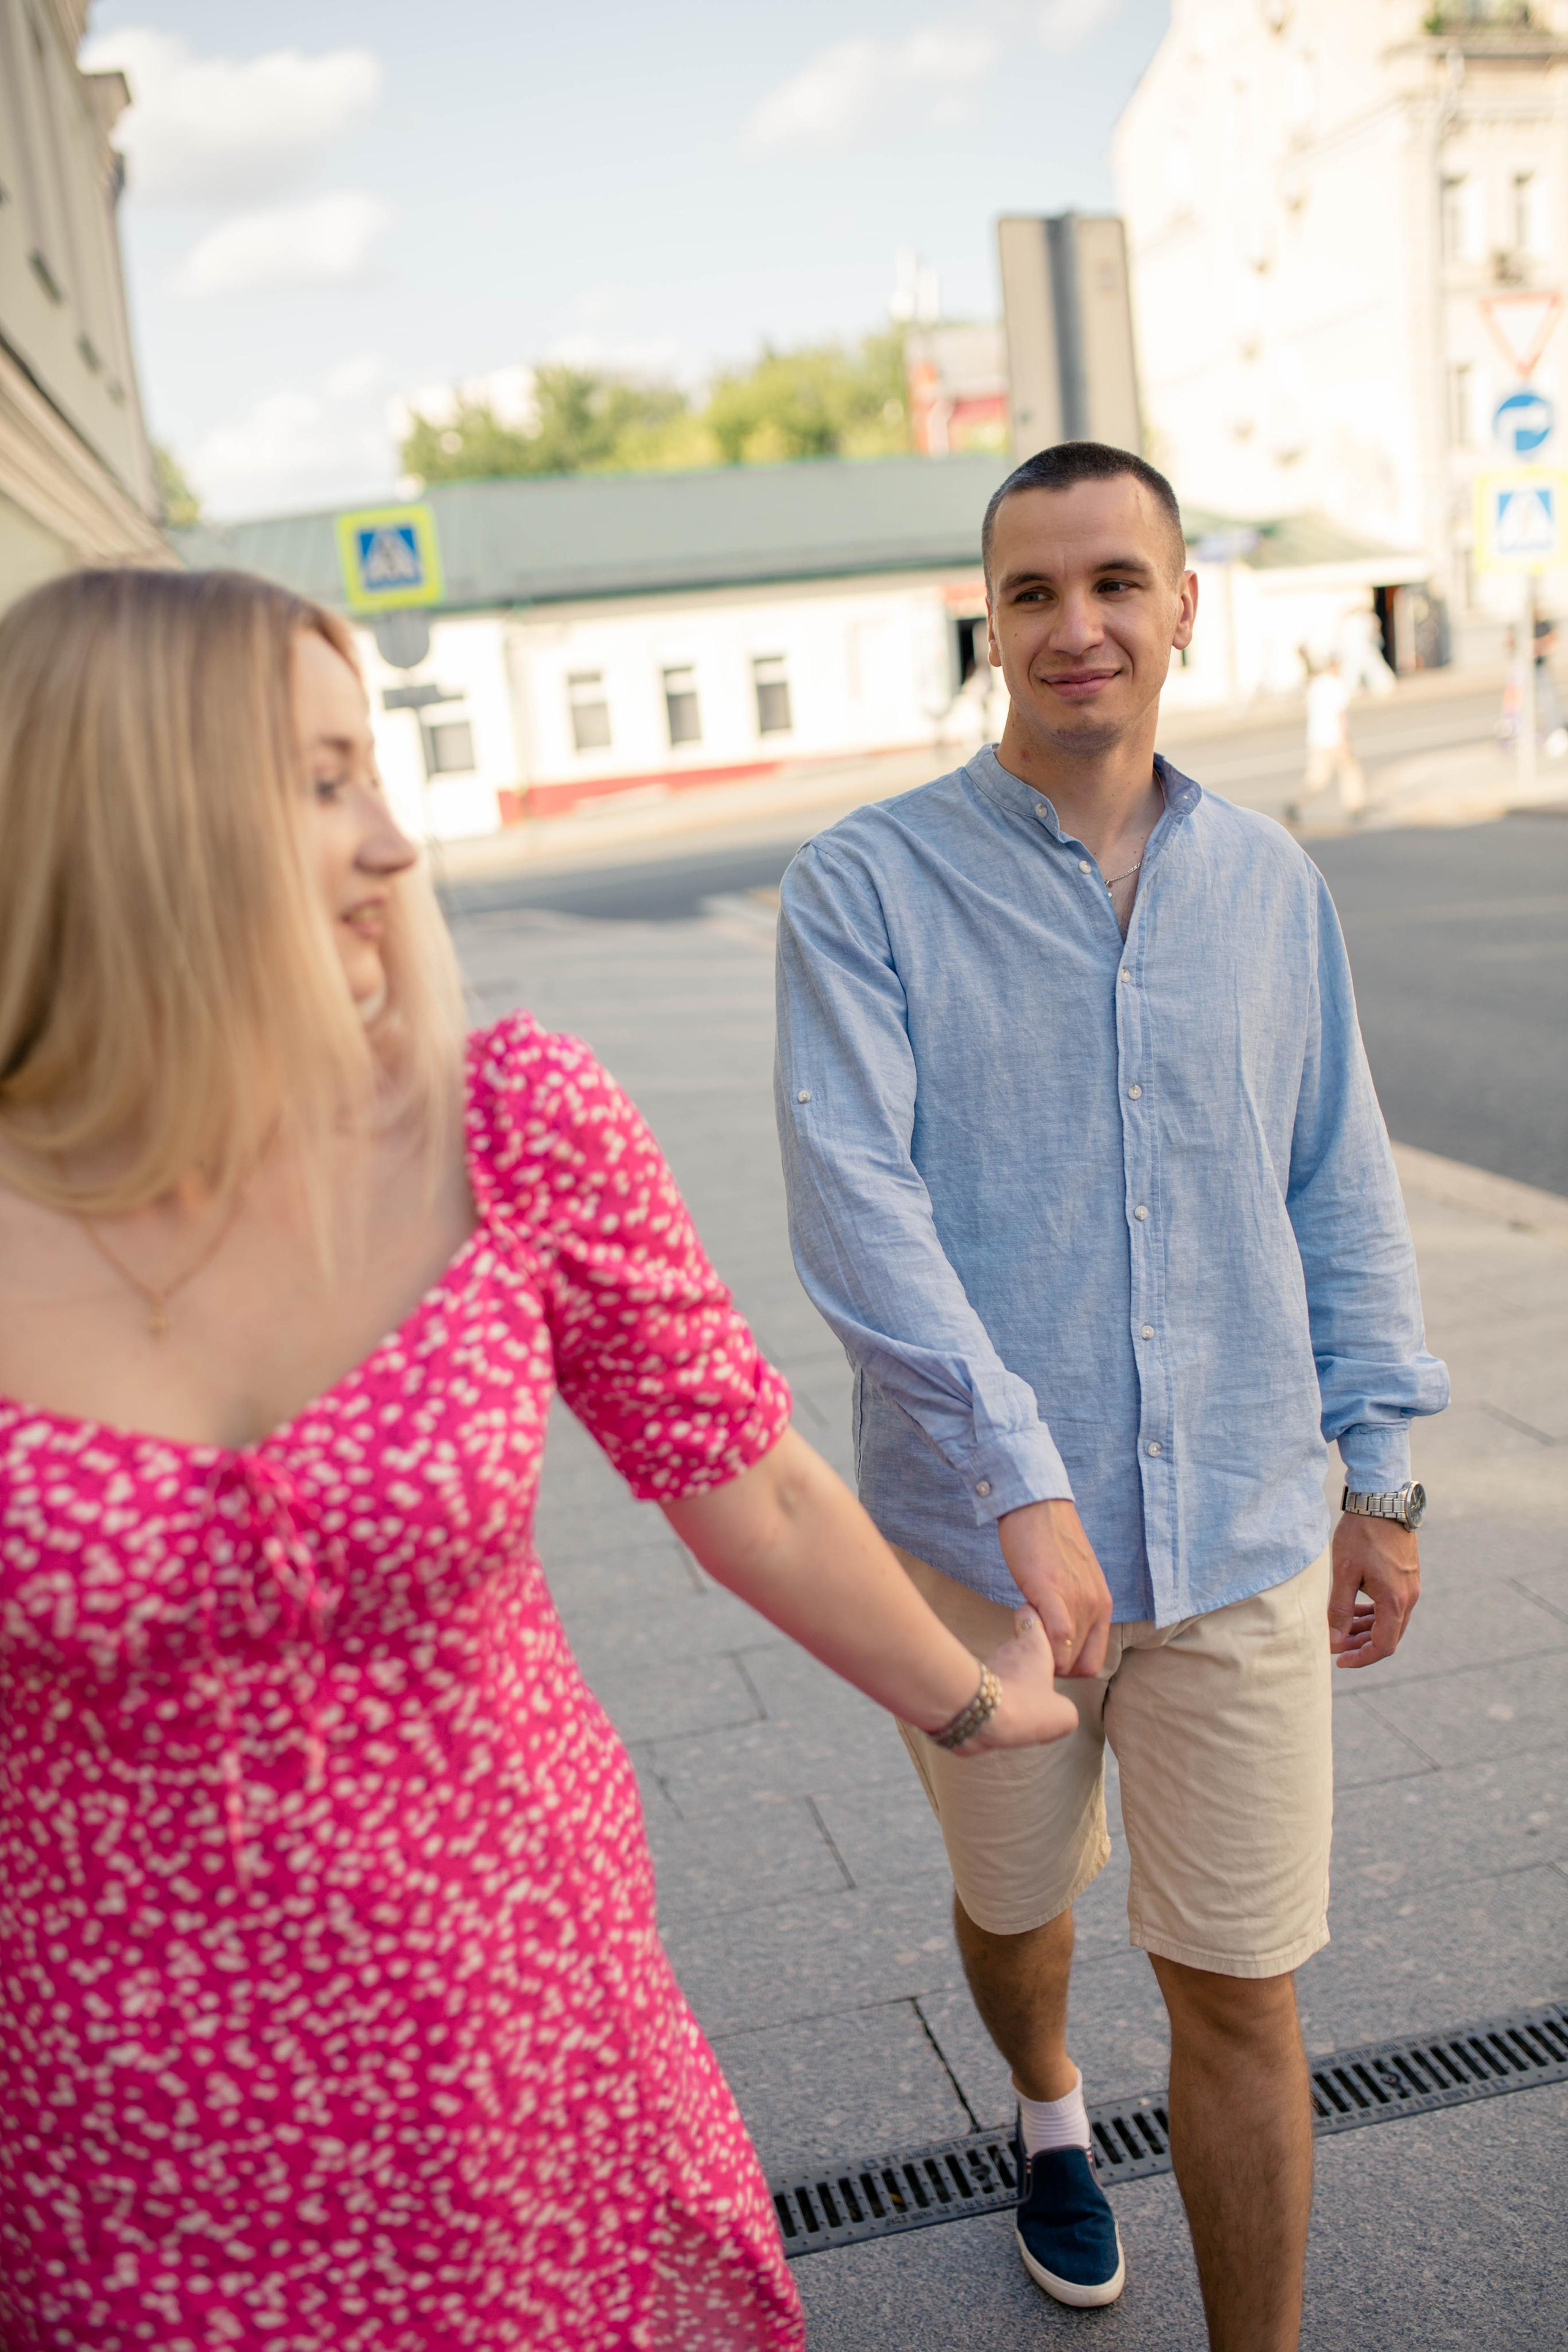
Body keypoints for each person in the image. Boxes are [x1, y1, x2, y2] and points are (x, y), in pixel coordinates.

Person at [0, 567, 1077, 2352]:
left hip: (511, 2041)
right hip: (112, 2121)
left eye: (374, 771)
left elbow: (755, 1481)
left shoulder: (503, 1123)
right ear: (132, 823)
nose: (391, 841)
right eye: (323, 781)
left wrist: (973, 1701)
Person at [774, 442, 1449, 2351]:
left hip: (1239, 1530)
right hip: (980, 1564)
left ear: (1182, 608)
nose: (1077, 625)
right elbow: (858, 1207)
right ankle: (1049, 2101)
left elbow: (1334, 1175)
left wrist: (1380, 1469)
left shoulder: (1270, 886)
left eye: (1114, 582)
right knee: (1016, 1909)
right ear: (988, 625)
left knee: (1241, 1986)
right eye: (1033, 592)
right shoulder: (865, 886)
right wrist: (1022, 1476)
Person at [1284, 652, 1365, 826]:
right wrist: (1345, 740)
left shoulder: (1316, 685)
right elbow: (1340, 715)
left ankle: (1296, 802)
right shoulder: (1336, 685)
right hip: (1335, 738)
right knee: (1350, 771)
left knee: (1317, 777)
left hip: (1317, 738)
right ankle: (1354, 807)